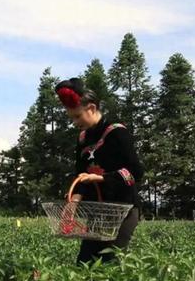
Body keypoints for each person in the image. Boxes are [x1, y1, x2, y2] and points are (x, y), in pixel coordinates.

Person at [55, 78, 144, 264]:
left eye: (77, 116)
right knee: (85, 262)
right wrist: (74, 200)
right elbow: (80, 173)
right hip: (98, 211)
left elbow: (136, 171)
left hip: (122, 209)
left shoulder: (116, 132)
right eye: (71, 117)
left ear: (92, 108)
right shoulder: (83, 138)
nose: (74, 122)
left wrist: (102, 178)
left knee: (111, 261)